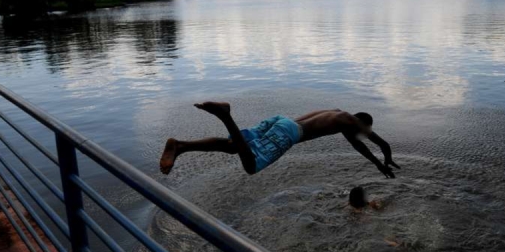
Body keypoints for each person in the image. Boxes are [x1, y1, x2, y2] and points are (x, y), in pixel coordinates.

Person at [159, 102, 400, 178]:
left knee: (234, 147)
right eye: (364, 129)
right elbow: (382, 144)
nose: (362, 133)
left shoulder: (338, 114)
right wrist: (386, 161)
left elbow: (358, 146)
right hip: (289, 133)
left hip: (280, 121)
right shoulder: (352, 122)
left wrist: (377, 165)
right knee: (251, 165)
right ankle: (225, 114)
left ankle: (180, 146)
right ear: (363, 123)